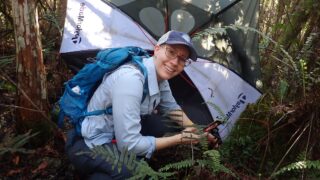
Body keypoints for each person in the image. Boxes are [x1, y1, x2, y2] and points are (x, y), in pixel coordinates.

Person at [65, 30, 217, 179]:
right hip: (88, 144)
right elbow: (128, 145)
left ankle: (124, 161)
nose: (175, 62)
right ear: (157, 49)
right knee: (136, 171)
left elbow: (171, 108)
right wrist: (180, 138)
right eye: (171, 52)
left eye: (183, 59)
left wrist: (196, 129)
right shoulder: (131, 80)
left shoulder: (158, 74)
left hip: (115, 133)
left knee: (161, 125)